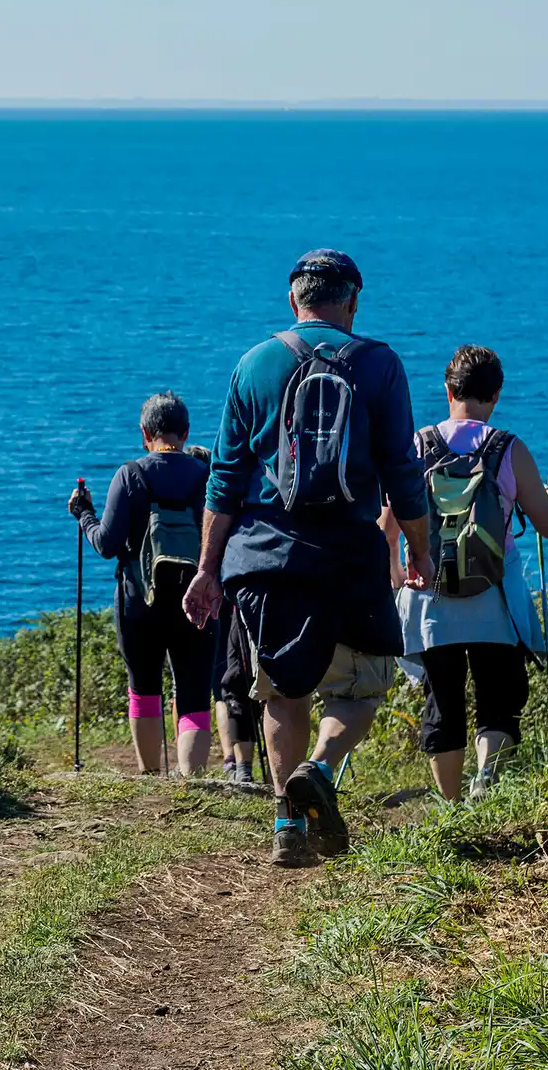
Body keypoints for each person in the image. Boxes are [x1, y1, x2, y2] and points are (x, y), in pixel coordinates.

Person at [182, 249, 433, 866]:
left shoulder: (255, 363)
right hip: (350, 553)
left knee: (279, 696)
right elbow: (403, 472)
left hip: (267, 558)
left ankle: (286, 829)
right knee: (363, 689)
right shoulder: (380, 365)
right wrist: (420, 550)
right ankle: (319, 769)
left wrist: (208, 569)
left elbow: (225, 480)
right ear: (351, 301)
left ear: (293, 300)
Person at [382, 345, 548, 801]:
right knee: (498, 695)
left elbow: (386, 528)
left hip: (430, 597)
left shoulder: (417, 446)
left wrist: (396, 580)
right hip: (494, 596)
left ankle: (450, 807)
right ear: (496, 395)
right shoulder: (508, 449)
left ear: (448, 391)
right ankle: (486, 779)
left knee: (443, 700)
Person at [68, 392, 216, 776]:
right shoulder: (206, 476)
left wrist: (84, 514)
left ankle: (151, 778)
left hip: (138, 599)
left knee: (144, 686)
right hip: (196, 597)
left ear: (144, 433)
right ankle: (192, 782)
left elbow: (106, 544)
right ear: (185, 433)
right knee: (194, 690)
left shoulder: (130, 475)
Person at [190, 446, 259, 785]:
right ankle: (239, 762)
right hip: (240, 594)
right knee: (240, 679)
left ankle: (232, 759)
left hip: (213, 600)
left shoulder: (203, 513)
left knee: (225, 684)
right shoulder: (237, 503)